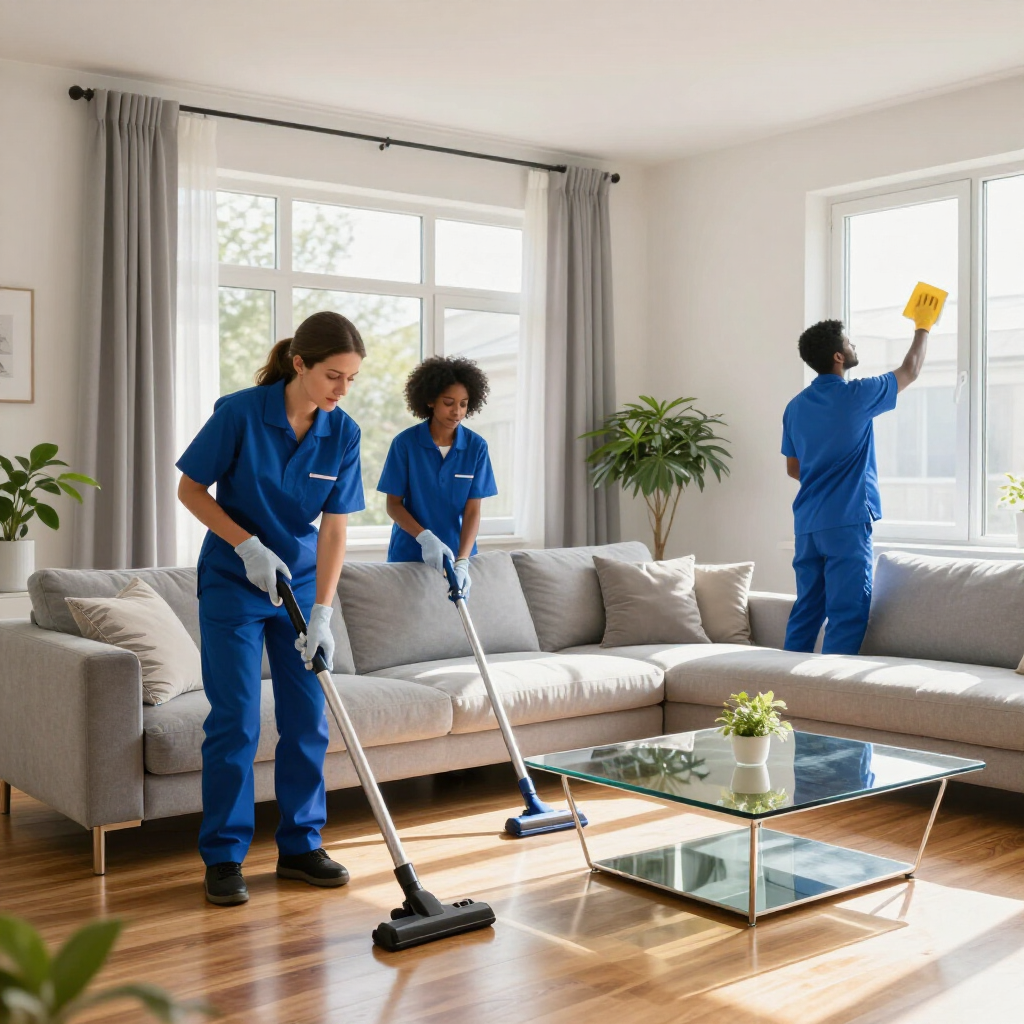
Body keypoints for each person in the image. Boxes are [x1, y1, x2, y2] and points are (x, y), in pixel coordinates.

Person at [177, 311, 365, 906]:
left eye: (351, 379)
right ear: (299, 364)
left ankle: (301, 847)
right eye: (333, 375)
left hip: (303, 586)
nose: (340, 389)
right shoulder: (239, 413)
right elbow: (190, 489)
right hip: (235, 580)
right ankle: (225, 857)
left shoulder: (344, 433)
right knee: (234, 720)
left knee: (308, 719)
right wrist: (246, 544)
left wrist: (325, 612)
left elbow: (334, 529)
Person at [782, 313, 931, 655]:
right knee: (847, 613)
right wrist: (923, 326)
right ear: (838, 357)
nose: (852, 346)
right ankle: (830, 697)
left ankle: (781, 697)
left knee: (807, 609)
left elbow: (794, 468)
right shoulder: (858, 395)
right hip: (846, 522)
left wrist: (824, 473)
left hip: (807, 525)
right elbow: (910, 370)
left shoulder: (795, 407)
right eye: (849, 342)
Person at [377, 356, 497, 596]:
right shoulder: (405, 444)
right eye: (449, 402)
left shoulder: (476, 447)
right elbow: (393, 505)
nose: (457, 411)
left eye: (463, 404)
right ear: (431, 401)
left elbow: (473, 510)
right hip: (409, 554)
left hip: (457, 557)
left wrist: (463, 560)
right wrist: (425, 538)